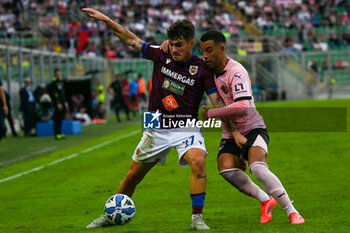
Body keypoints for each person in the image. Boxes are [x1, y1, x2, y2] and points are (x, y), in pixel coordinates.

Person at [83, 8, 225, 230]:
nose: (175, 49)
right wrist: (107, 20)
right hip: (155, 124)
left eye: (180, 45)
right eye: (172, 44)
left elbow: (216, 100)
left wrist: (223, 117)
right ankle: (110, 215)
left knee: (198, 162)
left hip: (186, 126)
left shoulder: (202, 69)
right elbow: (130, 39)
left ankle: (197, 218)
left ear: (191, 44)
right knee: (132, 176)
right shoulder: (161, 53)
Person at [200, 31, 305, 224]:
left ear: (221, 49)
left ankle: (292, 211)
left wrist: (211, 114)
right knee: (226, 170)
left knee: (257, 168)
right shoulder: (208, 72)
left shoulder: (236, 72)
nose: (204, 55)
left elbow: (242, 106)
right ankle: (266, 200)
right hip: (231, 133)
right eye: (202, 51)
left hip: (253, 128)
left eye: (209, 50)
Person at [47, 68, 69, 140]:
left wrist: (65, 102)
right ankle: (56, 134)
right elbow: (54, 95)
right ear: (55, 74)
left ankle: (59, 132)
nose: (58, 74)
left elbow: (63, 93)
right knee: (57, 118)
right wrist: (57, 103)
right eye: (57, 73)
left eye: (59, 73)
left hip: (63, 102)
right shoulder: (53, 83)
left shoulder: (62, 82)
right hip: (58, 104)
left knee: (61, 118)